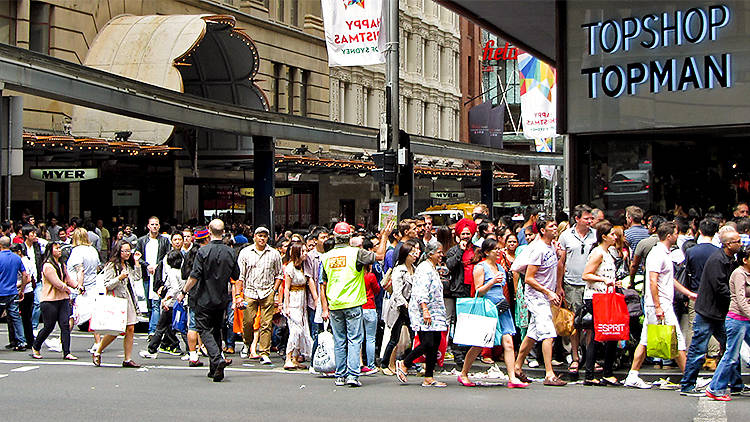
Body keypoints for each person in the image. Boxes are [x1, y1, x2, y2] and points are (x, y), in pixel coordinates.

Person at [624, 222, 698, 389]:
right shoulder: (657, 254)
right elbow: (653, 280)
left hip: (659, 303)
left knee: (644, 341)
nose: (678, 236)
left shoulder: (664, 253)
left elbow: (668, 279)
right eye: (676, 233)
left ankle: (633, 375)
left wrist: (688, 293)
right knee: (676, 340)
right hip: (659, 304)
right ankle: (689, 378)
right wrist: (657, 306)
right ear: (669, 236)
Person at [457, 238, 529, 388]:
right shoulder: (480, 267)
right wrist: (492, 282)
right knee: (479, 343)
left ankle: (512, 378)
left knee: (508, 341)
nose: (498, 252)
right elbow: (478, 291)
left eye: (499, 249)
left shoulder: (500, 268)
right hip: (487, 307)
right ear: (487, 252)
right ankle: (464, 373)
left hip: (501, 306)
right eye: (495, 249)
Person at [680, 228, 743, 396]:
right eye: (737, 241)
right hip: (708, 312)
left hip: (719, 312)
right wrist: (736, 298)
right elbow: (720, 287)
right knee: (699, 349)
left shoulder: (730, 259)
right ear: (728, 244)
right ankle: (687, 385)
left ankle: (737, 385)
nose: (741, 244)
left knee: (731, 348)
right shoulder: (718, 260)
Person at [179, 219, 240, 382]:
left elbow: (194, 276)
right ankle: (215, 369)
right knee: (216, 330)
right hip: (221, 297)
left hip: (203, 297)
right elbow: (236, 275)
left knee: (204, 329)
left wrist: (184, 291)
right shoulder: (230, 252)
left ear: (209, 231)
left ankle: (216, 357)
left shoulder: (203, 252)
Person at [320, 222, 379, 388]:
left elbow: (323, 282)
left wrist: (325, 306)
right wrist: (385, 237)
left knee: (339, 340)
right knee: (354, 339)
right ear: (349, 237)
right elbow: (378, 255)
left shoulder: (326, 256)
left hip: (335, 303)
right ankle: (353, 375)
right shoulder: (356, 253)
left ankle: (340, 375)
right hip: (353, 302)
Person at [514, 216, 567, 387]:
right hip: (537, 297)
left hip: (546, 295)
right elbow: (529, 278)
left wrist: (558, 288)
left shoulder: (551, 246)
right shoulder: (538, 249)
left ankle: (517, 366)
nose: (555, 228)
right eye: (551, 226)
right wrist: (547, 292)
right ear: (542, 230)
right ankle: (549, 373)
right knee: (548, 334)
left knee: (533, 333)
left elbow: (558, 266)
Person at [395, 242, 449, 387]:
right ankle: (405, 363)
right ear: (431, 253)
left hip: (436, 310)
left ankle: (429, 376)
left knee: (435, 343)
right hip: (425, 310)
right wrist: (424, 309)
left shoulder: (433, 268)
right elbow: (421, 290)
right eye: (439, 252)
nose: (441, 255)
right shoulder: (424, 268)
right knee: (427, 342)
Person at [705, 246, 750, 401]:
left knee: (732, 354)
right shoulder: (739, 274)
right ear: (745, 260)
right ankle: (715, 387)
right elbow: (740, 300)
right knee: (731, 355)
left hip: (746, 320)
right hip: (737, 320)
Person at [580, 220, 622, 386]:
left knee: (611, 334)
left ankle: (606, 372)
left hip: (607, 296)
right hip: (596, 297)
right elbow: (586, 275)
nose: (614, 236)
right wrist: (604, 280)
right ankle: (590, 374)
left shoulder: (609, 252)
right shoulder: (598, 253)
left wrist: (612, 282)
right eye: (611, 234)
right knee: (600, 335)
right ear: (604, 236)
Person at [557, 204, 597, 375]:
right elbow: (561, 262)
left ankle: (590, 357)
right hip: (572, 283)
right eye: (586, 218)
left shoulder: (595, 235)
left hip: (591, 285)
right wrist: (559, 286)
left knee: (590, 323)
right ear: (577, 219)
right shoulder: (566, 236)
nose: (590, 221)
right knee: (574, 323)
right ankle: (575, 356)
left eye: (591, 218)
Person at [93, 240, 144, 368]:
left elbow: (137, 277)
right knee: (116, 329)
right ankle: (98, 350)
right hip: (117, 300)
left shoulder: (127, 264)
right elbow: (107, 284)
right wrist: (119, 278)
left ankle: (128, 358)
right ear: (118, 251)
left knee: (130, 328)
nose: (127, 253)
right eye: (125, 251)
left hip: (128, 299)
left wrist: (137, 262)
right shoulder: (112, 265)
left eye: (129, 251)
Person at [237, 226, 282, 365]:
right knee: (248, 321)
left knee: (266, 324)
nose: (262, 238)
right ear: (254, 237)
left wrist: (274, 291)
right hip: (250, 291)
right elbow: (240, 276)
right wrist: (239, 295)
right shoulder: (245, 252)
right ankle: (247, 343)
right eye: (259, 236)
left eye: (265, 236)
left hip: (267, 292)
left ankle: (264, 352)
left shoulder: (274, 254)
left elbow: (279, 275)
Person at [31, 242, 81, 360]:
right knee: (49, 326)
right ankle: (36, 346)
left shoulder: (61, 264)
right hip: (50, 300)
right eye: (57, 248)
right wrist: (68, 290)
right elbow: (57, 283)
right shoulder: (48, 266)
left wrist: (77, 286)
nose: (59, 250)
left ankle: (66, 352)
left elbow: (67, 279)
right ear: (50, 250)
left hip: (62, 299)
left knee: (65, 325)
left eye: (60, 248)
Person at [381, 239, 420, 375]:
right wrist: (405, 304)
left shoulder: (414, 269)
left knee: (414, 336)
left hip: (411, 307)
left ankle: (407, 362)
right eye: (412, 253)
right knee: (394, 338)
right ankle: (385, 364)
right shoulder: (399, 269)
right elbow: (397, 292)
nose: (415, 255)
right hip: (400, 308)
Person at [140, 250, 186, 359]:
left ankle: (152, 349)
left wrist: (166, 299)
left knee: (160, 327)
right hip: (180, 303)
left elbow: (174, 289)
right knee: (181, 327)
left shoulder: (172, 273)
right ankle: (190, 350)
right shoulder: (182, 272)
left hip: (170, 304)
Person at [444, 218, 475, 366]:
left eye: (468, 233)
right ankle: (457, 353)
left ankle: (469, 351)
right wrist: (460, 252)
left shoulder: (476, 250)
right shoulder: (453, 251)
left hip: (473, 290)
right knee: (458, 322)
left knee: (471, 321)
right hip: (458, 290)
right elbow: (450, 266)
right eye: (463, 233)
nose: (465, 236)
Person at [282, 242, 316, 370]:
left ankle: (295, 358)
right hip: (294, 300)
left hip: (302, 300)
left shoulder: (303, 267)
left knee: (302, 329)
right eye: (303, 251)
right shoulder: (290, 268)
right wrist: (286, 305)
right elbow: (286, 288)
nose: (305, 253)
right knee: (296, 330)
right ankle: (288, 357)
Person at [135, 217, 171, 339]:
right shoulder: (142, 241)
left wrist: (158, 266)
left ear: (159, 226)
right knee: (149, 304)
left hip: (158, 275)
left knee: (156, 303)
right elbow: (138, 256)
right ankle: (152, 327)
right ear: (148, 226)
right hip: (146, 275)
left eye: (156, 224)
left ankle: (153, 331)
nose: (154, 226)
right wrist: (147, 266)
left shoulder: (164, 241)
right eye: (152, 224)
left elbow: (167, 255)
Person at [67, 227, 101, 350]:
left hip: (79, 288)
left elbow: (79, 269)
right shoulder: (92, 250)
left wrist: (79, 286)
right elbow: (98, 268)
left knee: (71, 315)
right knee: (93, 316)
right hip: (92, 286)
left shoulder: (76, 251)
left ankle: (62, 341)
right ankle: (97, 342)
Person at [0, 237, 29, 351]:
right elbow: (25, 275)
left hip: (1, 292)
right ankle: (22, 341)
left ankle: (20, 341)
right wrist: (21, 290)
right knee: (16, 316)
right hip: (12, 291)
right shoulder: (17, 258)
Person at [361, 237, 381, 375]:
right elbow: (377, 290)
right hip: (370, 306)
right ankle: (371, 364)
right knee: (370, 338)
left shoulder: (357, 276)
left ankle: (359, 362)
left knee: (358, 338)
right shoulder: (371, 276)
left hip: (359, 306)